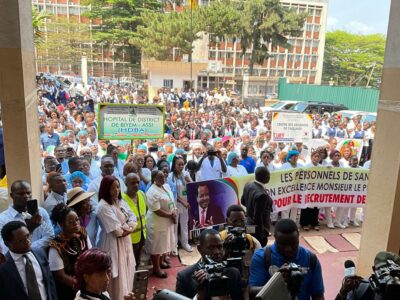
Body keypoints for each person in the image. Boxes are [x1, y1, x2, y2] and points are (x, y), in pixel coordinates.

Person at [249, 219, 325, 300]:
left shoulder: (310, 259)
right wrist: (276, 281)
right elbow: (252, 294)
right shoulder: (261, 257)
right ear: (275, 237)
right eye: (283, 244)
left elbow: (318, 295)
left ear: (298, 236)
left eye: (293, 244)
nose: (288, 249)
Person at [96, 175, 137, 300]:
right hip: (112, 244)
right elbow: (117, 232)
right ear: (105, 189)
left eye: (118, 187)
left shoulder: (119, 201)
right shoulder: (103, 207)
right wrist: (129, 227)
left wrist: (128, 227)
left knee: (128, 272)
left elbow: (133, 217)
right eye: (113, 188)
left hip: (125, 242)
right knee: (117, 278)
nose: (116, 190)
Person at [175, 229, 244, 300]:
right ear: (199, 249)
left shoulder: (234, 274)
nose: (217, 252)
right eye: (211, 247)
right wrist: (199, 296)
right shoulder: (185, 277)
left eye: (219, 247)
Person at [0, 221, 58, 300]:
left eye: (28, 236)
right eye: (21, 240)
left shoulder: (39, 253)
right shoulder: (3, 267)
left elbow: (49, 281)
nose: (27, 241)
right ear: (7, 244)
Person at [49, 203, 91, 300]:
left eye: (77, 219)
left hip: (87, 283)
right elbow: (60, 276)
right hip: (69, 289)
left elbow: (91, 255)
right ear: (61, 224)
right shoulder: (56, 246)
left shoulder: (82, 234)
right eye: (71, 222)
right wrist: (80, 285)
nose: (76, 223)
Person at [0, 180, 54, 254]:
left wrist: (29, 248)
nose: (26, 196)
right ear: (12, 195)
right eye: (21, 194)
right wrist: (29, 230)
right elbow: (4, 247)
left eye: (28, 193)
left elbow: (50, 236)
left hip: (40, 258)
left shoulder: (41, 212)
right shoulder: (3, 219)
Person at [145, 170, 177, 278]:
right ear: (154, 178)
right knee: (157, 246)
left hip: (166, 221)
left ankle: (161, 262)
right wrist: (170, 215)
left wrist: (173, 211)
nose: (163, 179)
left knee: (163, 243)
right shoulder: (151, 192)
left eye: (164, 176)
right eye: (160, 177)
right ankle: (156, 268)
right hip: (157, 222)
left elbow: (171, 200)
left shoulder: (166, 186)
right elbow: (157, 210)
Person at [335, 251, 400, 300]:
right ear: (374, 269)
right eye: (382, 271)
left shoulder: (361, 288)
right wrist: (344, 291)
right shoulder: (361, 288)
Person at [241, 166, 272, 247]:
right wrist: (262, 233)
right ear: (266, 177)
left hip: (248, 223)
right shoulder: (262, 195)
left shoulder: (248, 184)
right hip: (258, 229)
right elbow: (258, 217)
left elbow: (243, 201)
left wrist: (250, 209)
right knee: (258, 247)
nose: (269, 177)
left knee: (250, 244)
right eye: (269, 175)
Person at [167, 156, 192, 252]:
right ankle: (174, 246)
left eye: (182, 164)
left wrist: (188, 180)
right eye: (179, 164)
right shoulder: (170, 176)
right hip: (175, 204)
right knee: (175, 225)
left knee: (184, 224)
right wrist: (182, 202)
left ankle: (185, 243)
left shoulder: (186, 174)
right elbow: (173, 193)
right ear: (174, 165)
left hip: (186, 204)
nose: (181, 166)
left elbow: (194, 187)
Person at [122, 173, 148, 265]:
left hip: (142, 235)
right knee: (129, 262)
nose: (136, 185)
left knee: (137, 260)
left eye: (138, 182)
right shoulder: (121, 199)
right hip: (129, 237)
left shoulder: (141, 194)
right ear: (126, 184)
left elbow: (146, 210)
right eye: (133, 183)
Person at [300, 150, 321, 231]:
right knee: (306, 207)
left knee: (315, 207)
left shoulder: (321, 167)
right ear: (311, 157)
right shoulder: (307, 166)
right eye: (315, 156)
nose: (316, 158)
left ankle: (314, 223)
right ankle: (304, 224)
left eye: (318, 157)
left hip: (317, 190)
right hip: (307, 190)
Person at [280, 150, 304, 222]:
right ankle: (284, 223)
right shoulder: (284, 166)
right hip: (286, 190)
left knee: (295, 207)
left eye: (296, 156)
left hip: (297, 190)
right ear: (289, 157)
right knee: (285, 208)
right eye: (293, 156)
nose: (295, 157)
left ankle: (292, 224)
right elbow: (280, 176)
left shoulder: (301, 166)